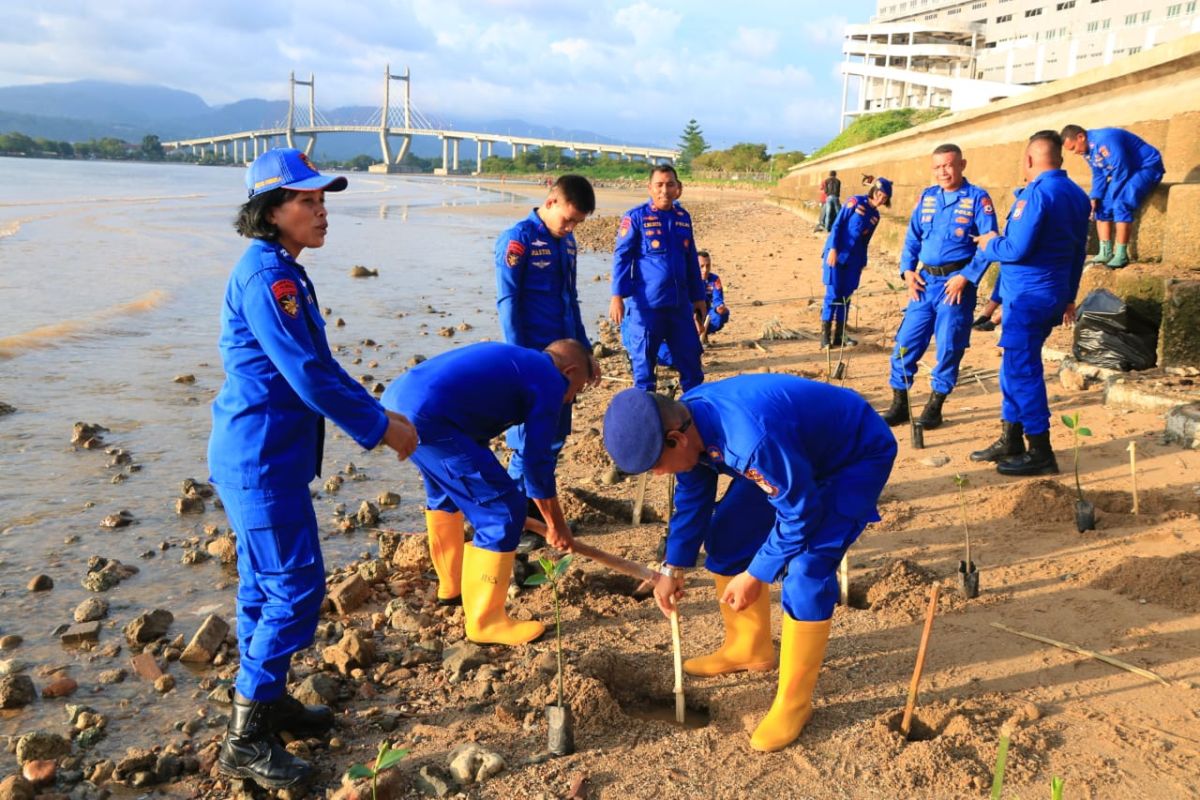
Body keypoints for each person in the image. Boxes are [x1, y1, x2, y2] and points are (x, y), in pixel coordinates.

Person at [208, 148, 418, 789]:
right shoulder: (269, 279)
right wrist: (384, 428)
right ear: (271, 211)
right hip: (260, 458)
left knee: (261, 589)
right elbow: (309, 375)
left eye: (323, 199)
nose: (322, 211)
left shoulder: (283, 271)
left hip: (266, 453)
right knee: (296, 590)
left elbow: (315, 369)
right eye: (307, 200)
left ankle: (264, 704)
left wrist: (375, 415)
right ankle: (245, 740)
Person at [602, 377, 896, 752]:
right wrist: (673, 567)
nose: (659, 475)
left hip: (851, 456)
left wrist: (757, 573)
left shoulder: (750, 442)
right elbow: (694, 495)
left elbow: (800, 513)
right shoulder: (691, 418)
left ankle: (794, 704)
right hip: (791, 455)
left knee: (806, 572)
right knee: (726, 537)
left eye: (657, 466)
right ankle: (749, 648)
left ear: (676, 440)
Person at [381, 340, 592, 645]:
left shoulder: (524, 360)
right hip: (430, 415)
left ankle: (450, 587)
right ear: (569, 372)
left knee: (446, 491)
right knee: (503, 509)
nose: (571, 399)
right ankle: (485, 622)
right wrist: (557, 525)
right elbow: (536, 464)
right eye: (578, 390)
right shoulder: (550, 380)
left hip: (397, 404)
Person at [971, 131, 1090, 475]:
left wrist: (988, 243)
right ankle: (1011, 438)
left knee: (1023, 373)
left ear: (1028, 160)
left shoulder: (1037, 195)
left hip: (1028, 298)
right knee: (1013, 367)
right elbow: (1077, 254)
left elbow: (1015, 250)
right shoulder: (1077, 196)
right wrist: (1069, 296)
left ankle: (1040, 449)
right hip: (1048, 294)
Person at [495, 174, 600, 547]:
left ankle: (538, 515)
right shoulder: (518, 239)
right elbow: (508, 303)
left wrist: (587, 353)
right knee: (527, 443)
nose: (570, 228)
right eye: (568, 219)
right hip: (534, 362)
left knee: (553, 439)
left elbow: (571, 300)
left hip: (566, 363)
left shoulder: (566, 243)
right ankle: (514, 517)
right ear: (551, 202)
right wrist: (519, 360)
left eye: (577, 224)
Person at [879, 145, 999, 430]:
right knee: (905, 343)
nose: (943, 172)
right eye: (937, 167)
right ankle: (899, 404)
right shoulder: (927, 197)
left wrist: (967, 276)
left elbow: (988, 243)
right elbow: (912, 237)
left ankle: (935, 407)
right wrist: (907, 271)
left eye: (948, 165)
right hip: (923, 284)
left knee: (948, 346)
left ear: (962, 165)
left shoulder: (977, 199)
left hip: (955, 286)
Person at [610, 164, 707, 392]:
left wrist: (698, 296)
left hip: (679, 307)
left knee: (691, 363)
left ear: (678, 189)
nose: (665, 190)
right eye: (659, 185)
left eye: (670, 184)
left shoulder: (683, 218)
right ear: (650, 188)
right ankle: (649, 419)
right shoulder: (635, 218)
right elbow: (622, 257)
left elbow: (691, 259)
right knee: (644, 368)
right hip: (647, 307)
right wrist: (617, 295)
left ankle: (695, 414)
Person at [1061, 124, 1164, 269]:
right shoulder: (1087, 150)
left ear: (1080, 137)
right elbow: (1098, 174)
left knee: (1120, 203)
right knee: (1101, 206)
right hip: (1126, 172)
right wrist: (1095, 197)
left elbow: (1121, 168)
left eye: (1073, 148)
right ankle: (1105, 252)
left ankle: (1121, 254)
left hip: (1145, 167)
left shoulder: (1105, 139)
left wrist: (1114, 194)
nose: (1074, 152)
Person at [819, 177, 893, 349]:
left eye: (885, 197)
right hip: (836, 255)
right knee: (833, 294)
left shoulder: (875, 216)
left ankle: (839, 335)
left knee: (846, 297)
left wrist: (862, 262)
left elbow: (865, 241)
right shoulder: (855, 201)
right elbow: (837, 225)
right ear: (874, 191)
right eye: (880, 194)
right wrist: (833, 249)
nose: (881, 199)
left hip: (854, 259)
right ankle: (825, 337)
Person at [652, 250, 730, 367]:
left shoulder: (714, 280)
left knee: (720, 315)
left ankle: (700, 337)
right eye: (701, 266)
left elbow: (718, 299)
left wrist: (720, 308)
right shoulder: (684, 281)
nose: (705, 270)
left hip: (701, 314)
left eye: (708, 266)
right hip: (682, 318)